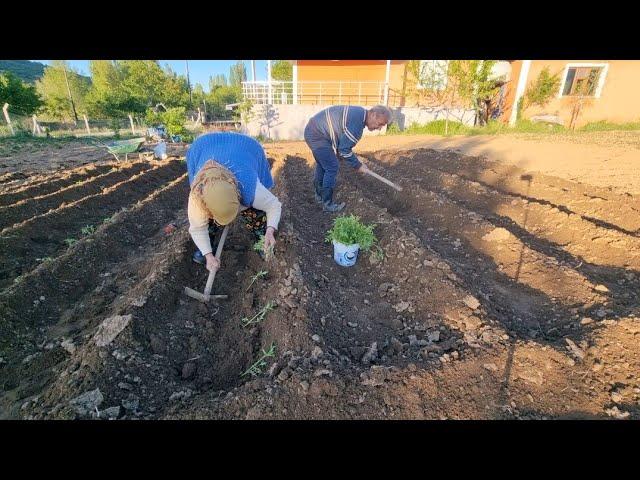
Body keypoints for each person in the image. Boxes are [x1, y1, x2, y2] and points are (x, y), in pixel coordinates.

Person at [186, 132, 282, 273]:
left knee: (256, 211)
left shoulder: (249, 187)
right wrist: (209, 256)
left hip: (248, 148)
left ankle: (262, 240)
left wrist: (270, 230)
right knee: (207, 221)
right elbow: (197, 227)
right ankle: (207, 246)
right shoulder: (197, 197)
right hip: (202, 147)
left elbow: (274, 205)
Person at [303, 104, 392, 212]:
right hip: (317, 134)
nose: (379, 128)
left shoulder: (359, 113)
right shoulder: (357, 125)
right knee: (332, 167)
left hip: (313, 130)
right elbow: (344, 150)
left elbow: (341, 140)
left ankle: (319, 195)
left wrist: (341, 156)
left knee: (324, 165)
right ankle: (327, 203)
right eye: (380, 124)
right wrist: (358, 165)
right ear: (373, 115)